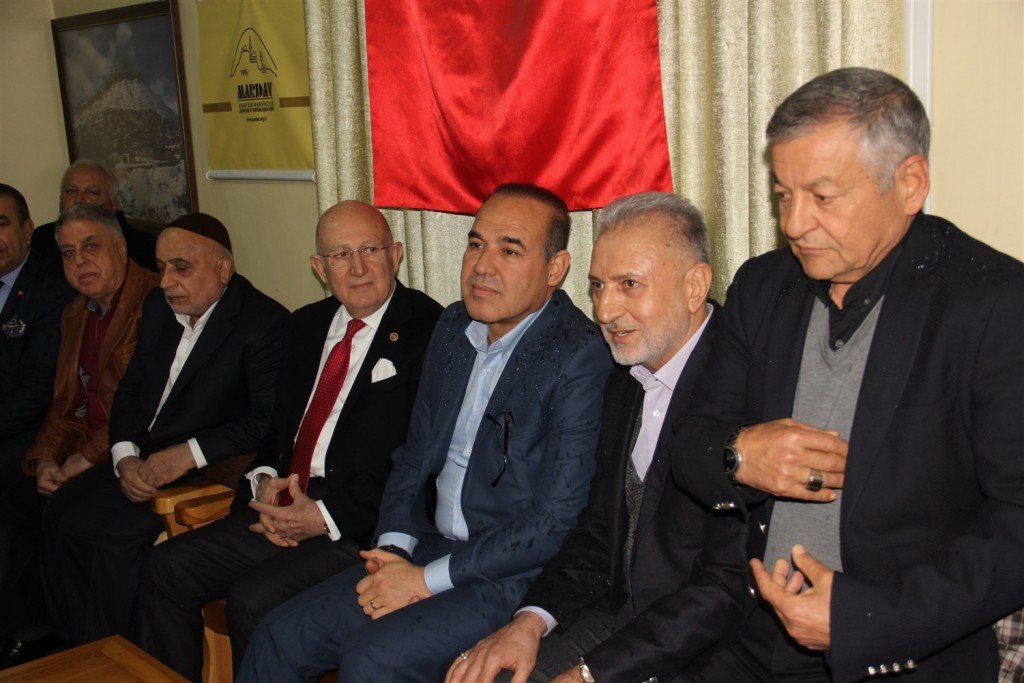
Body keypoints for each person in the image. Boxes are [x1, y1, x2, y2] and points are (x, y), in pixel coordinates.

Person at [671, 67, 1024, 683]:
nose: (793, 223)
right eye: (783, 195)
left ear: (909, 184)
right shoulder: (762, 286)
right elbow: (688, 443)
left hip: (898, 652)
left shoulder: (992, 302)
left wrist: (862, 620)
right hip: (748, 633)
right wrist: (738, 454)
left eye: (822, 196)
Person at [238, 183, 614, 682]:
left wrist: (422, 581)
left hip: (510, 573)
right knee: (278, 634)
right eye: (476, 244)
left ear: (555, 268)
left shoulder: (580, 354)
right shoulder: (454, 326)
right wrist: (394, 551)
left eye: (509, 251)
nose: (482, 266)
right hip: (426, 546)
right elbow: (414, 457)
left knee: (371, 659)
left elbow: (552, 523)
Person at [135, 201, 443, 681]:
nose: (358, 268)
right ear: (319, 268)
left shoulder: (431, 330)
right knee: (165, 567)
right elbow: (276, 433)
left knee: (253, 600)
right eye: (341, 255)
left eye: (370, 250)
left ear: (396, 254)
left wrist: (321, 516)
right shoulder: (305, 325)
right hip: (285, 499)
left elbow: (420, 463)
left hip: (357, 522)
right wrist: (263, 481)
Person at [447, 192, 748, 683]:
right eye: (598, 286)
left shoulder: (745, 388)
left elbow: (723, 586)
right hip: (621, 615)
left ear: (694, 286)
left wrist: (592, 674)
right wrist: (529, 622)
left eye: (629, 285)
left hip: (714, 648)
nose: (605, 310)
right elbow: (597, 530)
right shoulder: (622, 377)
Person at [41, 212, 289, 646]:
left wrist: (186, 454)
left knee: (116, 542)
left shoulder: (264, 324)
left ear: (223, 269)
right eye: (161, 267)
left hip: (201, 468)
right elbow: (131, 390)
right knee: (62, 514)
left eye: (181, 267)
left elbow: (265, 422)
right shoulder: (159, 307)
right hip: (142, 455)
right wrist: (123, 455)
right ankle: (80, 648)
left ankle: (124, 660)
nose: (167, 281)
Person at [0, 202, 143, 667]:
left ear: (121, 248)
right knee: (23, 496)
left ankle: (92, 648)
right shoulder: (77, 312)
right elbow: (63, 406)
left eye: (91, 247)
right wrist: (44, 457)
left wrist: (87, 456)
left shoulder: (153, 304)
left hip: (131, 449)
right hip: (87, 444)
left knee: (68, 515)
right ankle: (47, 634)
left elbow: (144, 407)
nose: (80, 261)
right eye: (67, 253)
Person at [0, 183, 75, 492]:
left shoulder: (52, 289)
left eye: (1, 225)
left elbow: (36, 392)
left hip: (27, 432)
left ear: (27, 230)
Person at [31, 160, 159, 271]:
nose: (79, 199)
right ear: (60, 200)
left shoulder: (144, 250)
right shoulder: (43, 239)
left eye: (92, 193)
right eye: (71, 191)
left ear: (113, 205)